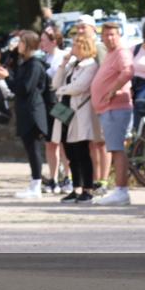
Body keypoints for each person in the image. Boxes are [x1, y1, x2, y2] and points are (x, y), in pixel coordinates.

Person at [0, 31, 49, 199]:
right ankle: (34, 182)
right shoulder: (25, 63)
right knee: (30, 148)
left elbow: (24, 88)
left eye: (20, 42)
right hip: (25, 111)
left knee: (34, 149)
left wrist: (7, 78)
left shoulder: (34, 65)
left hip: (33, 112)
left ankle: (36, 185)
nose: (17, 44)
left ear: (28, 44)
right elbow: (17, 81)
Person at [90, 22, 134, 206]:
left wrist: (113, 90)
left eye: (112, 34)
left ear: (119, 35)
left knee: (117, 149)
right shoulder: (110, 54)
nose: (109, 38)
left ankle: (121, 191)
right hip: (107, 109)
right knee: (114, 148)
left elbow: (128, 72)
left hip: (116, 107)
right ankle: (119, 190)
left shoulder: (122, 52)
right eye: (106, 35)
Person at [52, 34, 99, 203]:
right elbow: (55, 83)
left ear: (83, 47)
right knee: (70, 152)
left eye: (74, 45)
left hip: (79, 112)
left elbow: (80, 87)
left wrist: (61, 90)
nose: (71, 48)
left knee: (82, 151)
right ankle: (76, 187)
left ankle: (87, 188)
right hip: (64, 110)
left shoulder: (91, 65)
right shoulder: (72, 65)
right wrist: (63, 64)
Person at [75, 15, 110, 192]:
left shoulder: (99, 47)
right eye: (78, 27)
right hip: (85, 102)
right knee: (91, 142)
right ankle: (95, 178)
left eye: (84, 27)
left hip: (99, 100)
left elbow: (105, 73)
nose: (80, 30)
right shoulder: (79, 47)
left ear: (93, 29)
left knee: (101, 142)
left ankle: (103, 179)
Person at [41, 26, 72, 195]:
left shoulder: (63, 56)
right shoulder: (44, 58)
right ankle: (53, 179)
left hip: (62, 103)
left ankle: (68, 177)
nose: (41, 43)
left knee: (63, 142)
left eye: (44, 40)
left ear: (54, 41)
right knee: (50, 143)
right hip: (48, 103)